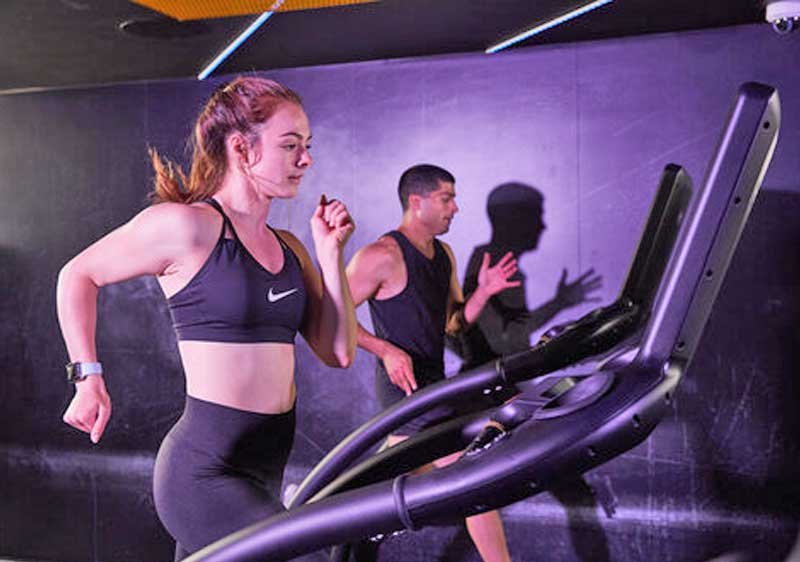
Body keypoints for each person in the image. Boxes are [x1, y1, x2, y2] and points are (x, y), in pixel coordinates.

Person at [56, 76, 357, 561]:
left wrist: (329, 254)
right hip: (204, 471)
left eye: (307, 146)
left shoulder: (292, 248)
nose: (306, 159)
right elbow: (77, 276)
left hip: (267, 463)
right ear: (242, 148)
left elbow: (339, 351)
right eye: (290, 145)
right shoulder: (187, 226)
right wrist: (86, 378)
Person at [346, 164, 519, 562]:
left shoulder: (444, 255)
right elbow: (329, 319)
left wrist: (484, 292)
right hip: (404, 389)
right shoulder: (381, 255)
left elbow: (453, 323)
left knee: (394, 481)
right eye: (447, 198)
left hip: (434, 384)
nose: (455, 208)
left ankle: (331, 513)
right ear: (416, 201)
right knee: (472, 475)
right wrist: (385, 350)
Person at [459, 182, 602, 370]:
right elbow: (508, 342)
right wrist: (559, 305)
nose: (543, 226)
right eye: (536, 217)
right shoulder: (493, 268)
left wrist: (560, 302)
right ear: (515, 221)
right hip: (494, 385)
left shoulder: (497, 264)